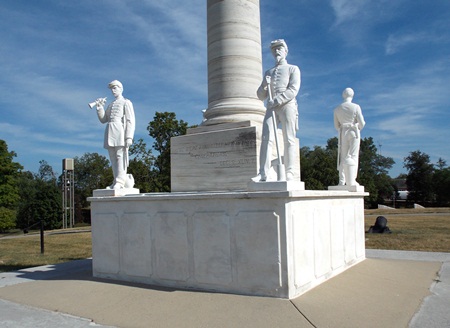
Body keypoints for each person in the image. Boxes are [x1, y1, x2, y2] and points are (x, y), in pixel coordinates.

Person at [255, 39, 301, 181]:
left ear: (286, 51)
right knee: (266, 138)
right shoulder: (269, 72)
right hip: (271, 106)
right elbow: (260, 95)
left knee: (289, 138)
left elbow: (293, 89)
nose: (277, 51)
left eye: (280, 48)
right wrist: (264, 85)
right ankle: (263, 172)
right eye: (274, 49)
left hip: (287, 104)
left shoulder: (293, 69)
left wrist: (277, 100)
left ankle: (290, 172)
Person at [95, 80, 135, 189]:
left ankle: (120, 182)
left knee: (120, 157)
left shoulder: (126, 102)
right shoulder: (111, 104)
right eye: (112, 89)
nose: (113, 91)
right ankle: (115, 181)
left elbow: (130, 120)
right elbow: (104, 119)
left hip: (120, 131)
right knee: (113, 158)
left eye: (115, 88)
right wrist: (100, 107)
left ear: (120, 89)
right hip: (110, 131)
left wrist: (129, 137)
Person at [333, 87, 365, 186]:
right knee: (353, 156)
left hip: (343, 132)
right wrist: (357, 127)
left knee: (343, 157)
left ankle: (342, 181)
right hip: (353, 132)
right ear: (352, 95)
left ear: (343, 95)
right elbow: (362, 123)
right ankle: (352, 180)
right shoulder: (356, 107)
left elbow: (336, 126)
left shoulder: (337, 109)